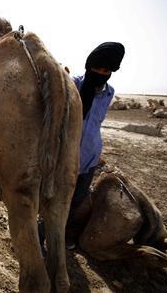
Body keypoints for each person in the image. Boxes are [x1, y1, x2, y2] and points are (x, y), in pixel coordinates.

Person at [65, 42, 126, 248]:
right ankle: (41, 234)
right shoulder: (74, 84)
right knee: (57, 198)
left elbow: (95, 123)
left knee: (77, 199)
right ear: (88, 66)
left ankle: (65, 235)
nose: (100, 73)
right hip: (67, 156)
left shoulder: (109, 93)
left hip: (90, 157)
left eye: (106, 71)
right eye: (97, 69)